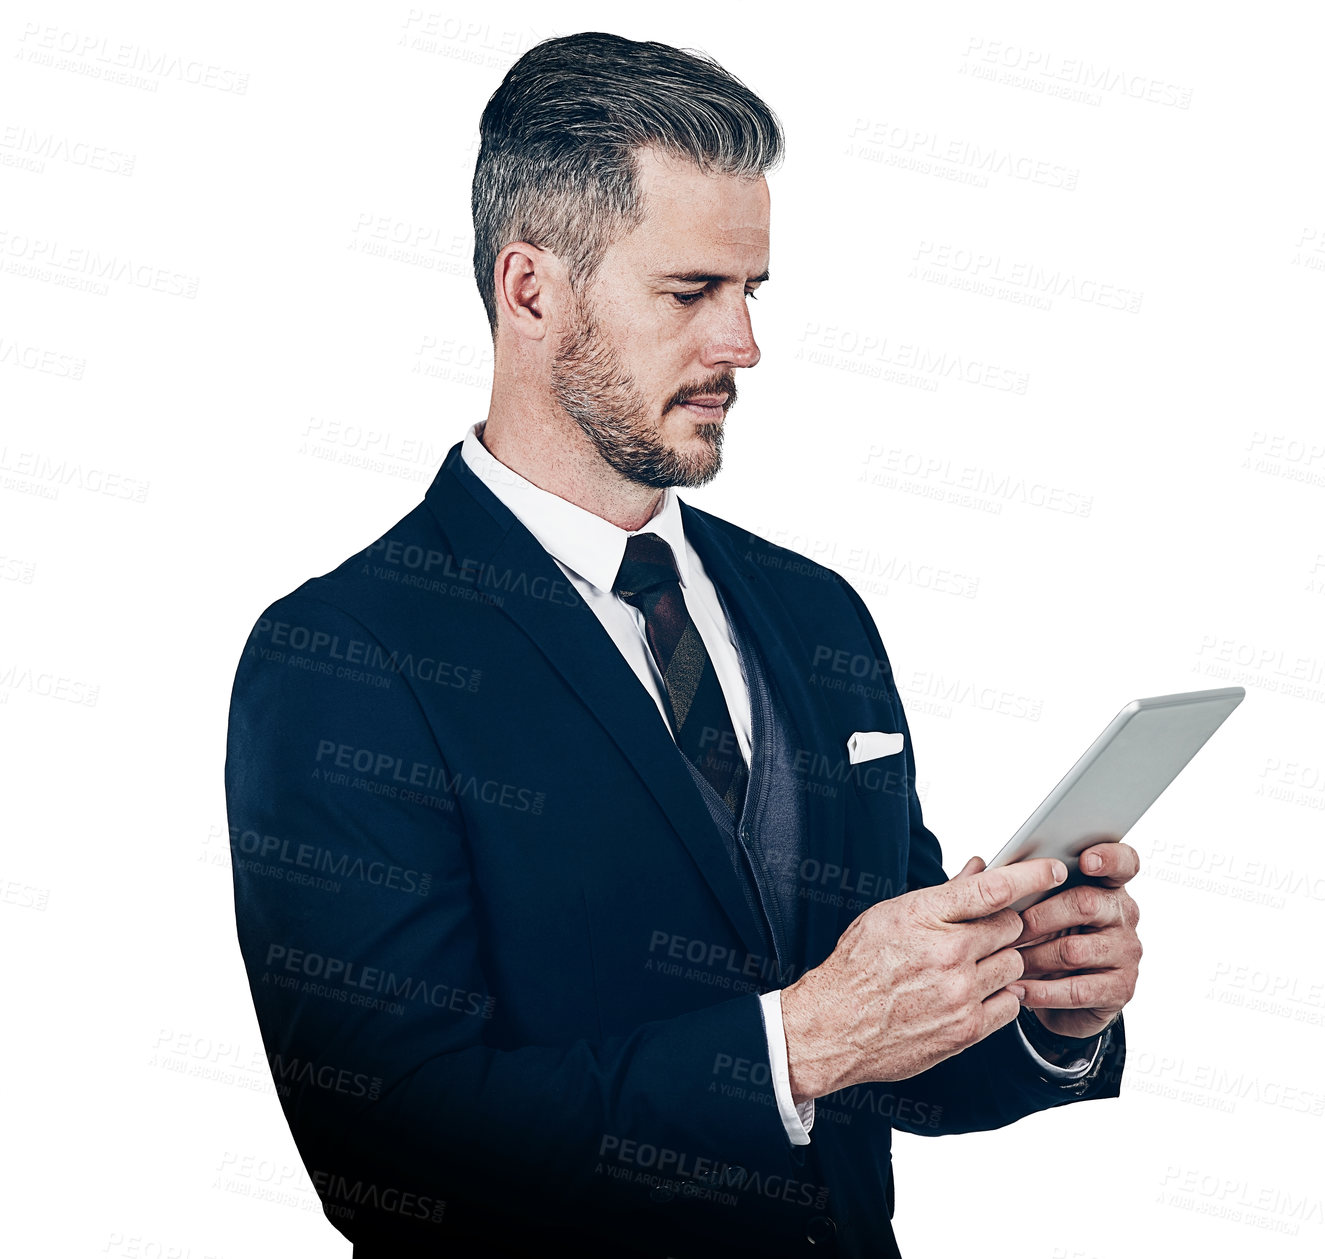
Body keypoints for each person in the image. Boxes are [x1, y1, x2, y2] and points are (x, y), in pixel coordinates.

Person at [224, 31, 1141, 1258]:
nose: (743, 346)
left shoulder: (815, 612)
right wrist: (798, 1040)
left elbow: (883, 1067)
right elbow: (387, 1149)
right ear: (531, 287)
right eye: (690, 293)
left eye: (750, 293)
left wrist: (1038, 1005)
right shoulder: (348, 654)